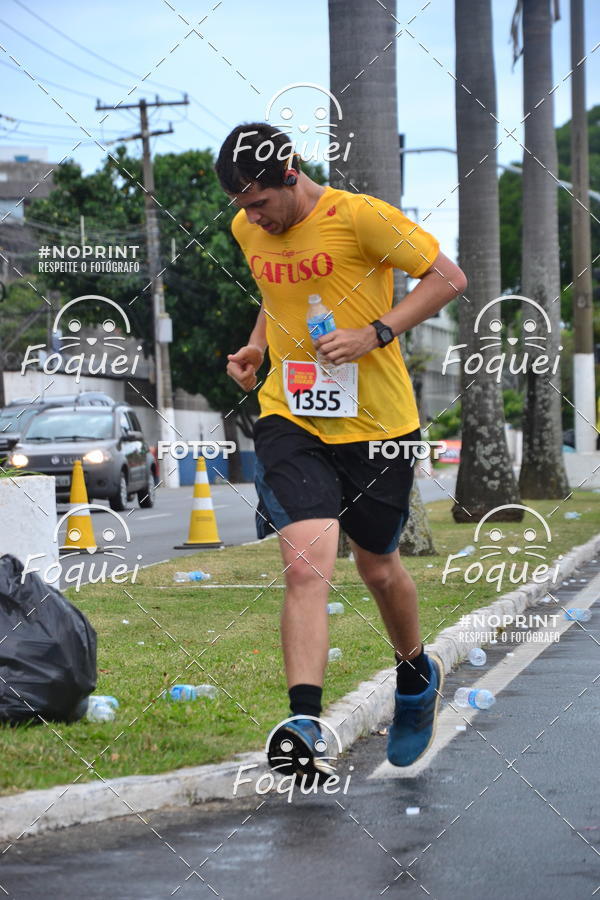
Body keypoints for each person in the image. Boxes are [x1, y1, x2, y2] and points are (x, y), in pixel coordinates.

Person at [215, 123, 467, 778]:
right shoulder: (250, 229)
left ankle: (415, 677)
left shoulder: (361, 220)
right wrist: (256, 350)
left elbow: (449, 277)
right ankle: (304, 723)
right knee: (306, 564)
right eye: (243, 206)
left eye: (259, 202)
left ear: (289, 176)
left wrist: (375, 332)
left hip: (378, 424)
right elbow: (280, 298)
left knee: (378, 569)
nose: (252, 217)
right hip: (289, 416)